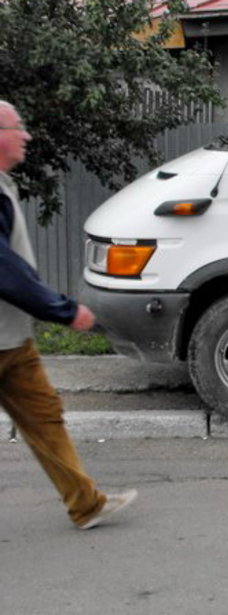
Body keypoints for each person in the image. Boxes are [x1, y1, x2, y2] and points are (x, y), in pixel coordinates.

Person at [0, 100, 136, 530]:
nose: (26, 135)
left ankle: (86, 504)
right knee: (45, 417)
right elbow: (6, 272)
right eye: (17, 127)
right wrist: (63, 311)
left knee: (45, 417)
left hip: (11, 338)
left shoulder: (3, 186)